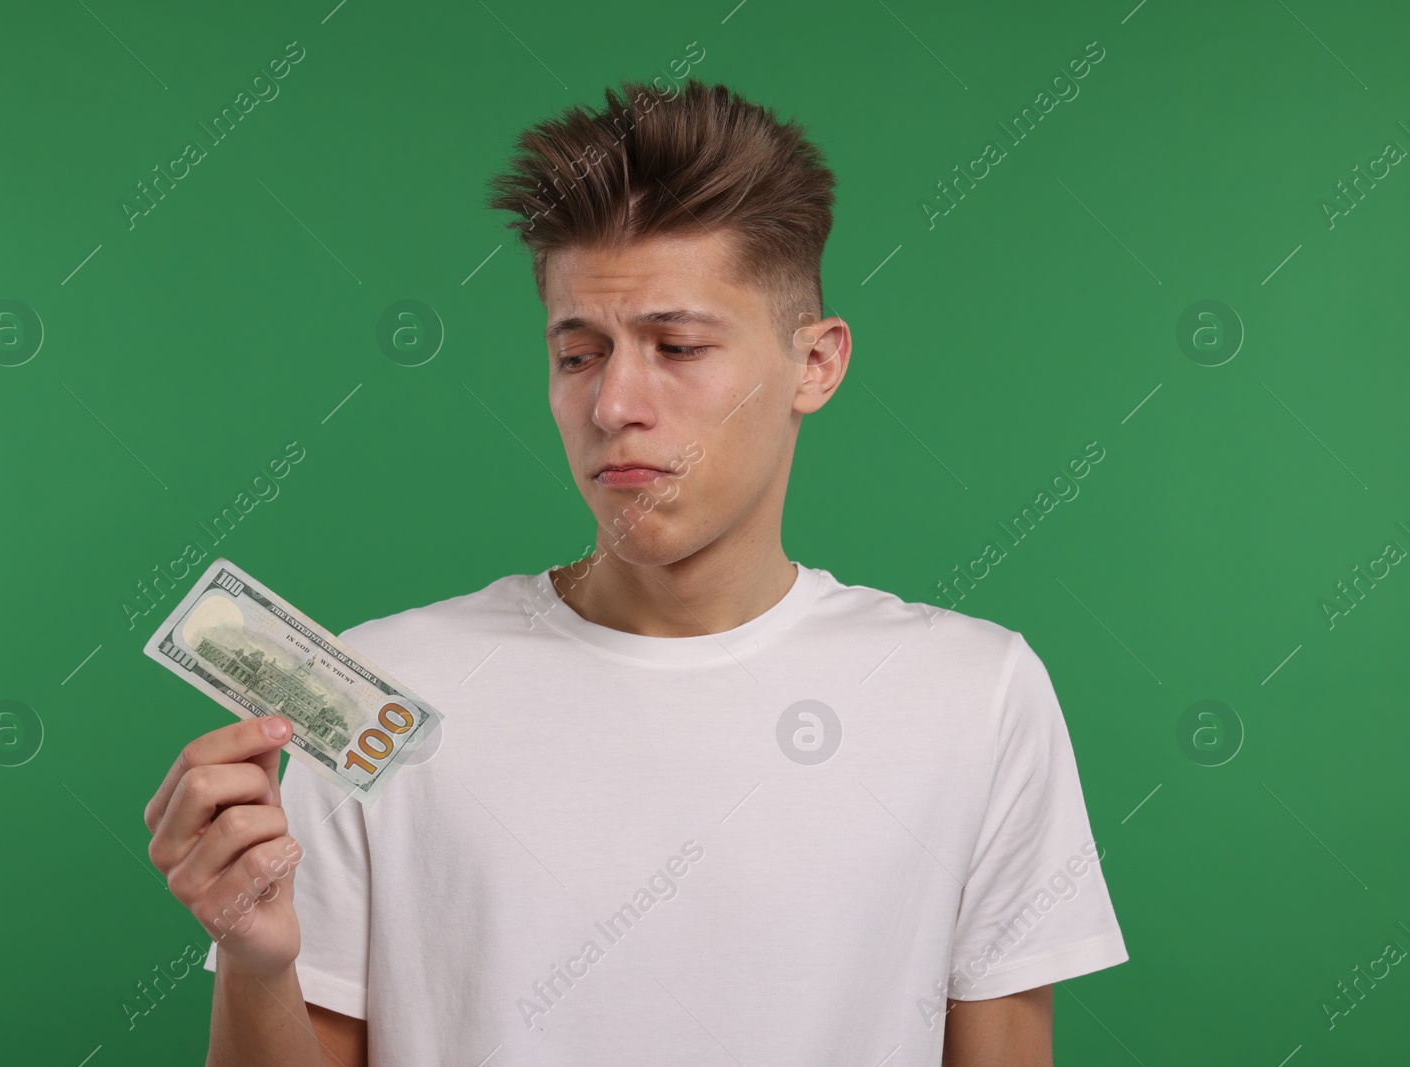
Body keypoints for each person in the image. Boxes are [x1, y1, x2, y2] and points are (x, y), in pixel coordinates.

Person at [144, 77, 1128, 1066]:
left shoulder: (973, 692)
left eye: (678, 345)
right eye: (579, 354)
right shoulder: (379, 694)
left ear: (815, 364)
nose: (615, 402)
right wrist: (258, 961)